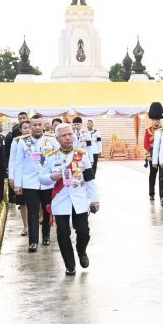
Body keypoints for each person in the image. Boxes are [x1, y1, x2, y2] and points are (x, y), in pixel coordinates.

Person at [40, 123, 99, 276]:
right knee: (62, 233)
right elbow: (41, 177)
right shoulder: (50, 156)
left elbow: (89, 178)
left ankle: (82, 252)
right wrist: (52, 177)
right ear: (57, 138)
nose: (68, 138)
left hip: (79, 199)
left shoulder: (82, 154)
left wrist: (94, 199)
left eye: (70, 134)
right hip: (60, 200)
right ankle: (70, 264)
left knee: (84, 232)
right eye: (64, 135)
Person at [12, 115, 59, 252]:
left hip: (48, 182)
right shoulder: (23, 142)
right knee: (32, 212)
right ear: (30, 126)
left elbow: (57, 159)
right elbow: (19, 164)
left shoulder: (51, 141)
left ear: (43, 125)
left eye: (39, 125)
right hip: (30, 183)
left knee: (47, 210)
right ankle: (33, 242)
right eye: (34, 125)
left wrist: (56, 177)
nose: (37, 127)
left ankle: (46, 236)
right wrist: (17, 184)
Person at [8, 121, 33, 238]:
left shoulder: (38, 140)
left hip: (34, 177)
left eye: (29, 127)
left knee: (35, 202)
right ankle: (25, 226)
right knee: (23, 202)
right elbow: (12, 160)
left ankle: (36, 222)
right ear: (21, 130)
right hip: (20, 177)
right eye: (25, 128)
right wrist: (11, 177)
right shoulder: (16, 141)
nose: (27, 130)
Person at [143, 102, 163, 201]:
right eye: (155, 119)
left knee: (162, 176)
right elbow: (146, 144)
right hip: (152, 155)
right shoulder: (148, 130)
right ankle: (151, 193)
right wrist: (148, 156)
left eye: (158, 119)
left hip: (162, 155)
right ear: (152, 119)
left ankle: (162, 195)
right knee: (152, 175)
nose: (157, 121)